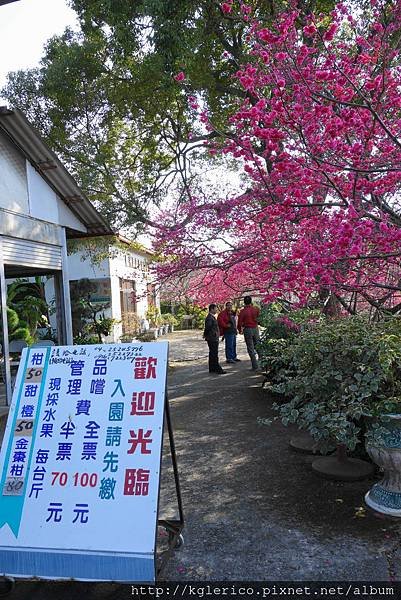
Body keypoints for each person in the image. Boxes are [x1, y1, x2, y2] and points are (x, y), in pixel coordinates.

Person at [237, 296, 260, 370]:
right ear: (251, 301)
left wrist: (239, 330)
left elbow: (239, 322)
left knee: (250, 348)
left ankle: (255, 366)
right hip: (255, 328)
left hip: (247, 329)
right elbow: (259, 318)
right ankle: (263, 364)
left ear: (244, 302)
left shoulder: (243, 311)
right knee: (258, 346)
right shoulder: (256, 309)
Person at [203, 304, 226, 374]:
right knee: (214, 354)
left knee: (212, 353)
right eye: (215, 309)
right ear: (212, 309)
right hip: (212, 338)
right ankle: (218, 369)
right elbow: (208, 327)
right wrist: (205, 335)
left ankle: (212, 368)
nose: (216, 310)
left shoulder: (211, 317)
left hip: (212, 337)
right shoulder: (210, 318)